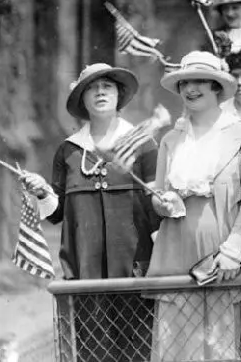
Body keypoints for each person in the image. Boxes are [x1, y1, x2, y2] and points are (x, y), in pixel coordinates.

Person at [19, 63, 160, 361]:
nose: (100, 92)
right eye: (92, 89)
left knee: (138, 350)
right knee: (91, 350)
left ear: (119, 96)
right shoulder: (68, 152)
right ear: (81, 100)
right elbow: (56, 214)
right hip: (84, 272)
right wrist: (43, 191)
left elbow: (157, 210)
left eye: (107, 87)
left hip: (135, 271)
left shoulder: (143, 145)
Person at [147, 51, 241, 361]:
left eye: (199, 82)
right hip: (175, 249)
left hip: (220, 257)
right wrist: (162, 204)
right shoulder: (171, 139)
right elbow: (157, 194)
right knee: (176, 345)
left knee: (220, 345)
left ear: (217, 87)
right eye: (184, 83)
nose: (191, 89)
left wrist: (233, 248)